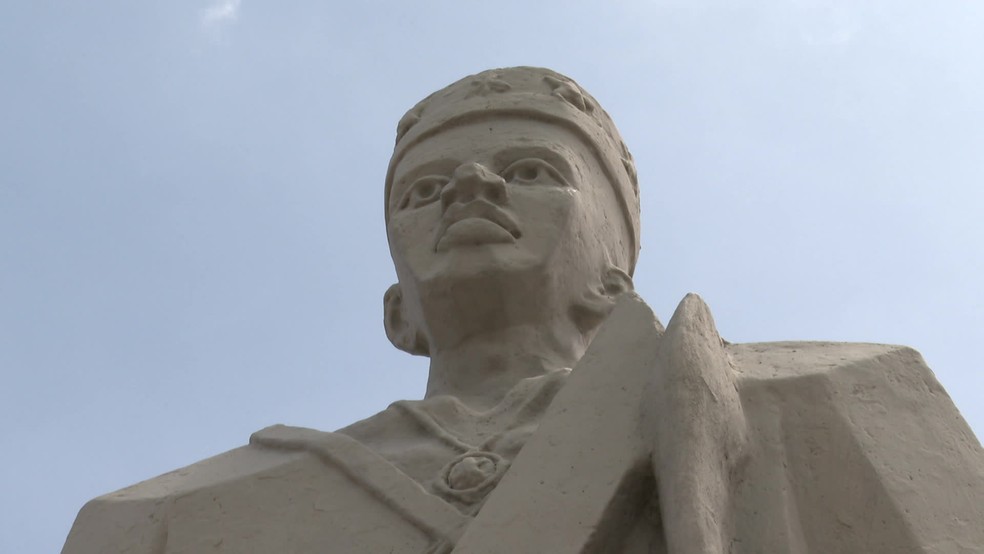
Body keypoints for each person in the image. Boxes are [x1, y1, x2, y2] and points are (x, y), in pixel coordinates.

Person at [63, 67, 983, 554]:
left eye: (530, 173)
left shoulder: (822, 400)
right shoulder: (167, 521)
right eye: (422, 191)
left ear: (616, 281)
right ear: (399, 314)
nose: (470, 185)